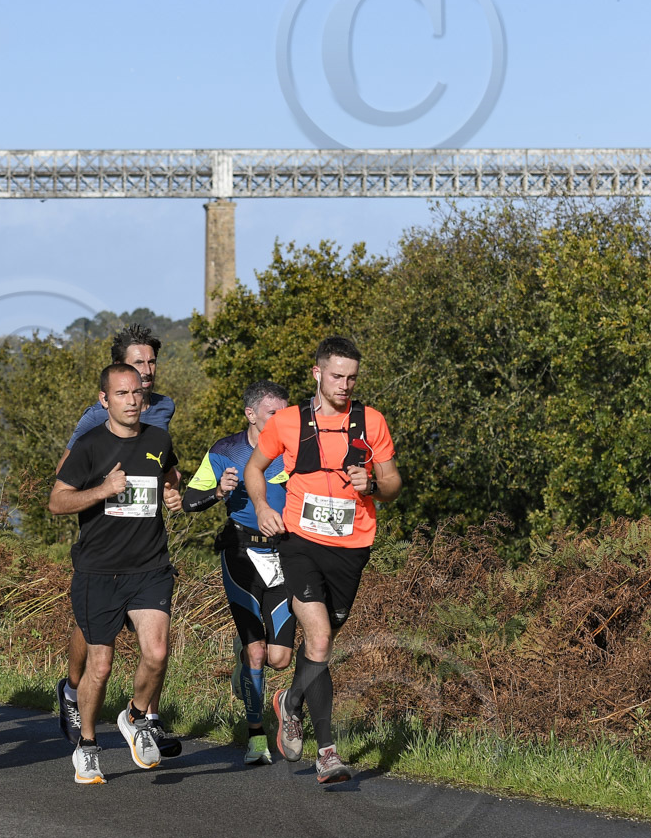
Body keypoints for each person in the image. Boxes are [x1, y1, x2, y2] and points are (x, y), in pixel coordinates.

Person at [244, 336, 401, 783]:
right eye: (336, 376)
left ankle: (289, 701)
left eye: (352, 377)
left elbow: (393, 483)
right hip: (300, 542)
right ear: (317, 373)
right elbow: (255, 469)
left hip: (352, 547)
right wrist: (262, 507)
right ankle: (327, 752)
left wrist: (372, 486)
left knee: (321, 646)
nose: (344, 385)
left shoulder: (371, 421)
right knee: (319, 637)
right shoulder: (289, 421)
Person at [48, 362, 183, 784]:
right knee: (101, 666)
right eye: (122, 394)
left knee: (156, 653)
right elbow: (57, 501)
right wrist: (104, 489)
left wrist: (173, 491)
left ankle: (136, 717)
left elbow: (170, 474)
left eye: (137, 393)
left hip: (150, 566)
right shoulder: (89, 445)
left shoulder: (158, 439)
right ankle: (87, 745)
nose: (132, 401)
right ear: (104, 400)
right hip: (99, 571)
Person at [181, 380, 292, 765]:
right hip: (241, 552)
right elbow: (188, 501)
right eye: (273, 413)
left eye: (285, 412)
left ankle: (251, 669)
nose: (282, 419)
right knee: (257, 650)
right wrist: (218, 492)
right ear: (251, 414)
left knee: (280, 658)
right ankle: (256, 736)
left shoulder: (293, 450)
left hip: (283, 554)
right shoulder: (225, 450)